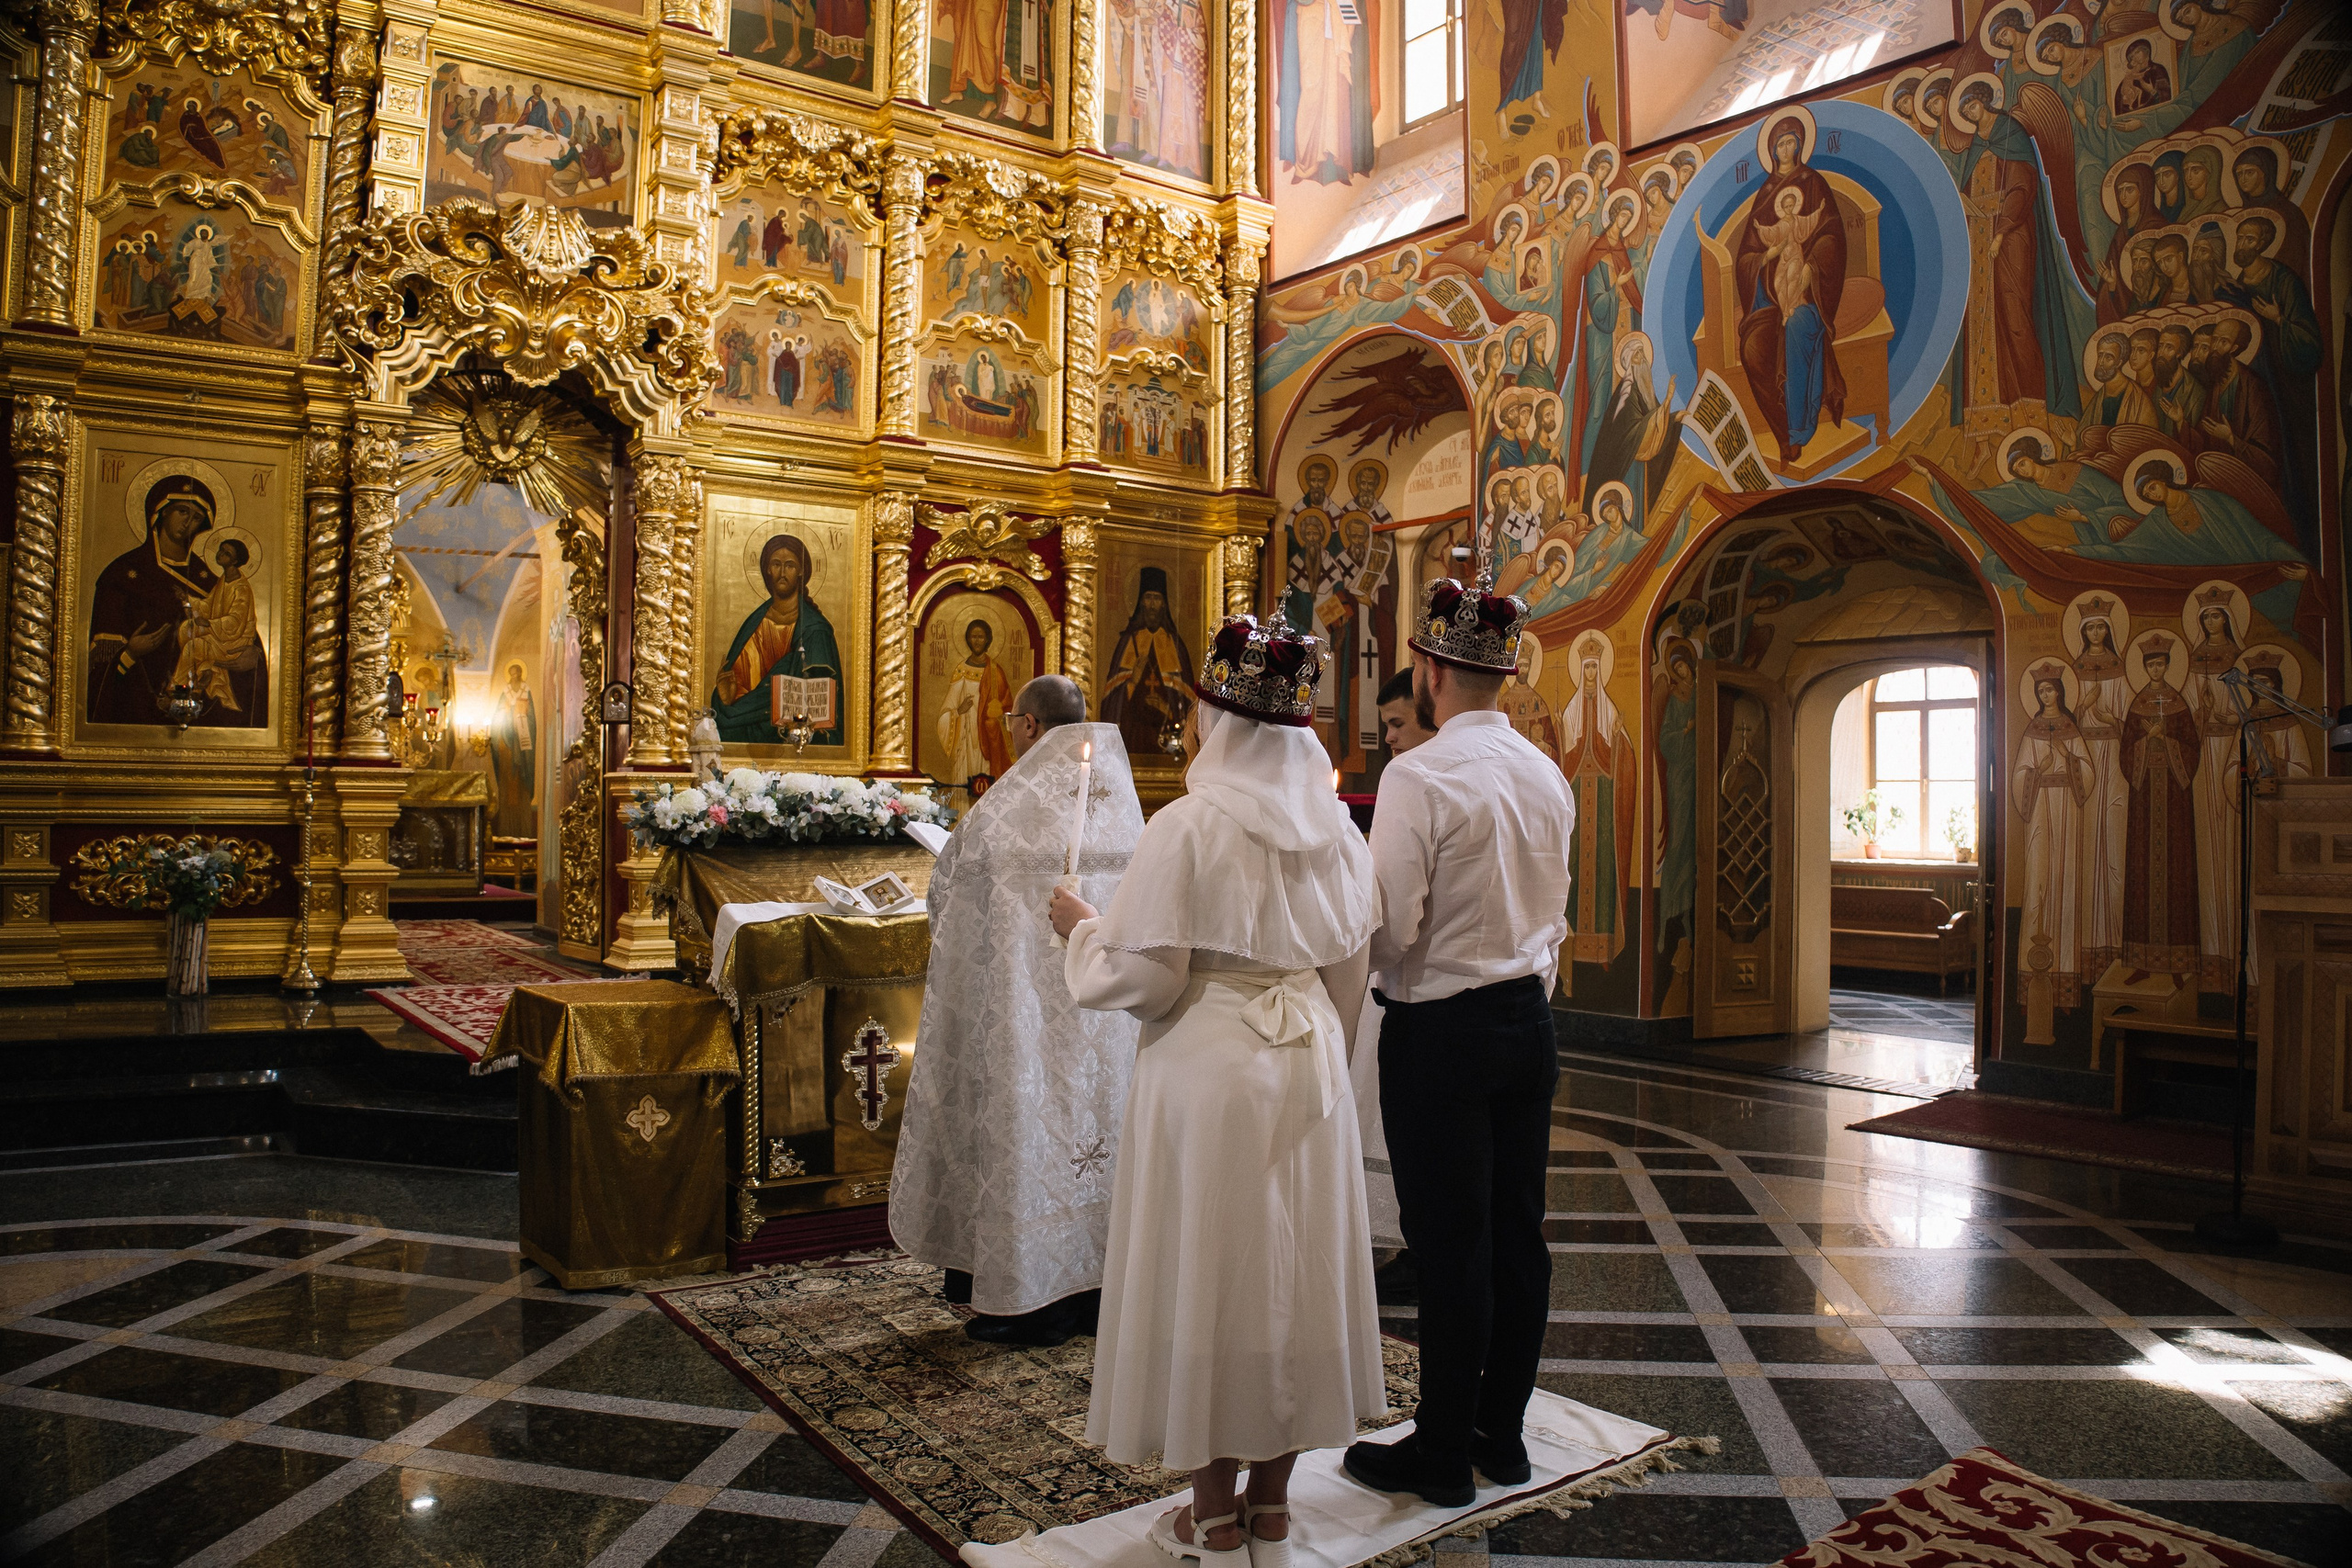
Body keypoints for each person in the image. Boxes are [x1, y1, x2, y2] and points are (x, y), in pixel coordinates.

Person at [1048, 615, 1383, 1567]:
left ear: (1219, 721)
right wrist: (1326, 1057)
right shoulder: (1337, 828)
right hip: (1306, 1050)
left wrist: (1081, 929)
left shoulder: (1187, 826)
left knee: (1212, 1268)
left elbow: (1148, 978)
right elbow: (1349, 971)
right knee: (1291, 1269)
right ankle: (1273, 1504)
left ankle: (1213, 1510)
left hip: (1209, 1061)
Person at [1345, 575, 1572, 1507]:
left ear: (1431, 672)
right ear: (1504, 674)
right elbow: (1554, 910)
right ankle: (1501, 1435)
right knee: (1518, 1237)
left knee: (1449, 1244)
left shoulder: (1420, 773)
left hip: (1440, 1030)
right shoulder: (1543, 771)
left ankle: (1439, 1450)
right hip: (1529, 1022)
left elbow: (1391, 925)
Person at [894, 676, 1144, 1347]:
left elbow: (948, 891)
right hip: (1107, 1017)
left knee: (1029, 1136)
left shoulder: (1004, 811)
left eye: (1013, 723)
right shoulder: (1125, 802)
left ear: (1030, 726)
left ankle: (1028, 1298)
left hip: (1025, 1021)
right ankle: (1098, 1288)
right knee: (1099, 1131)